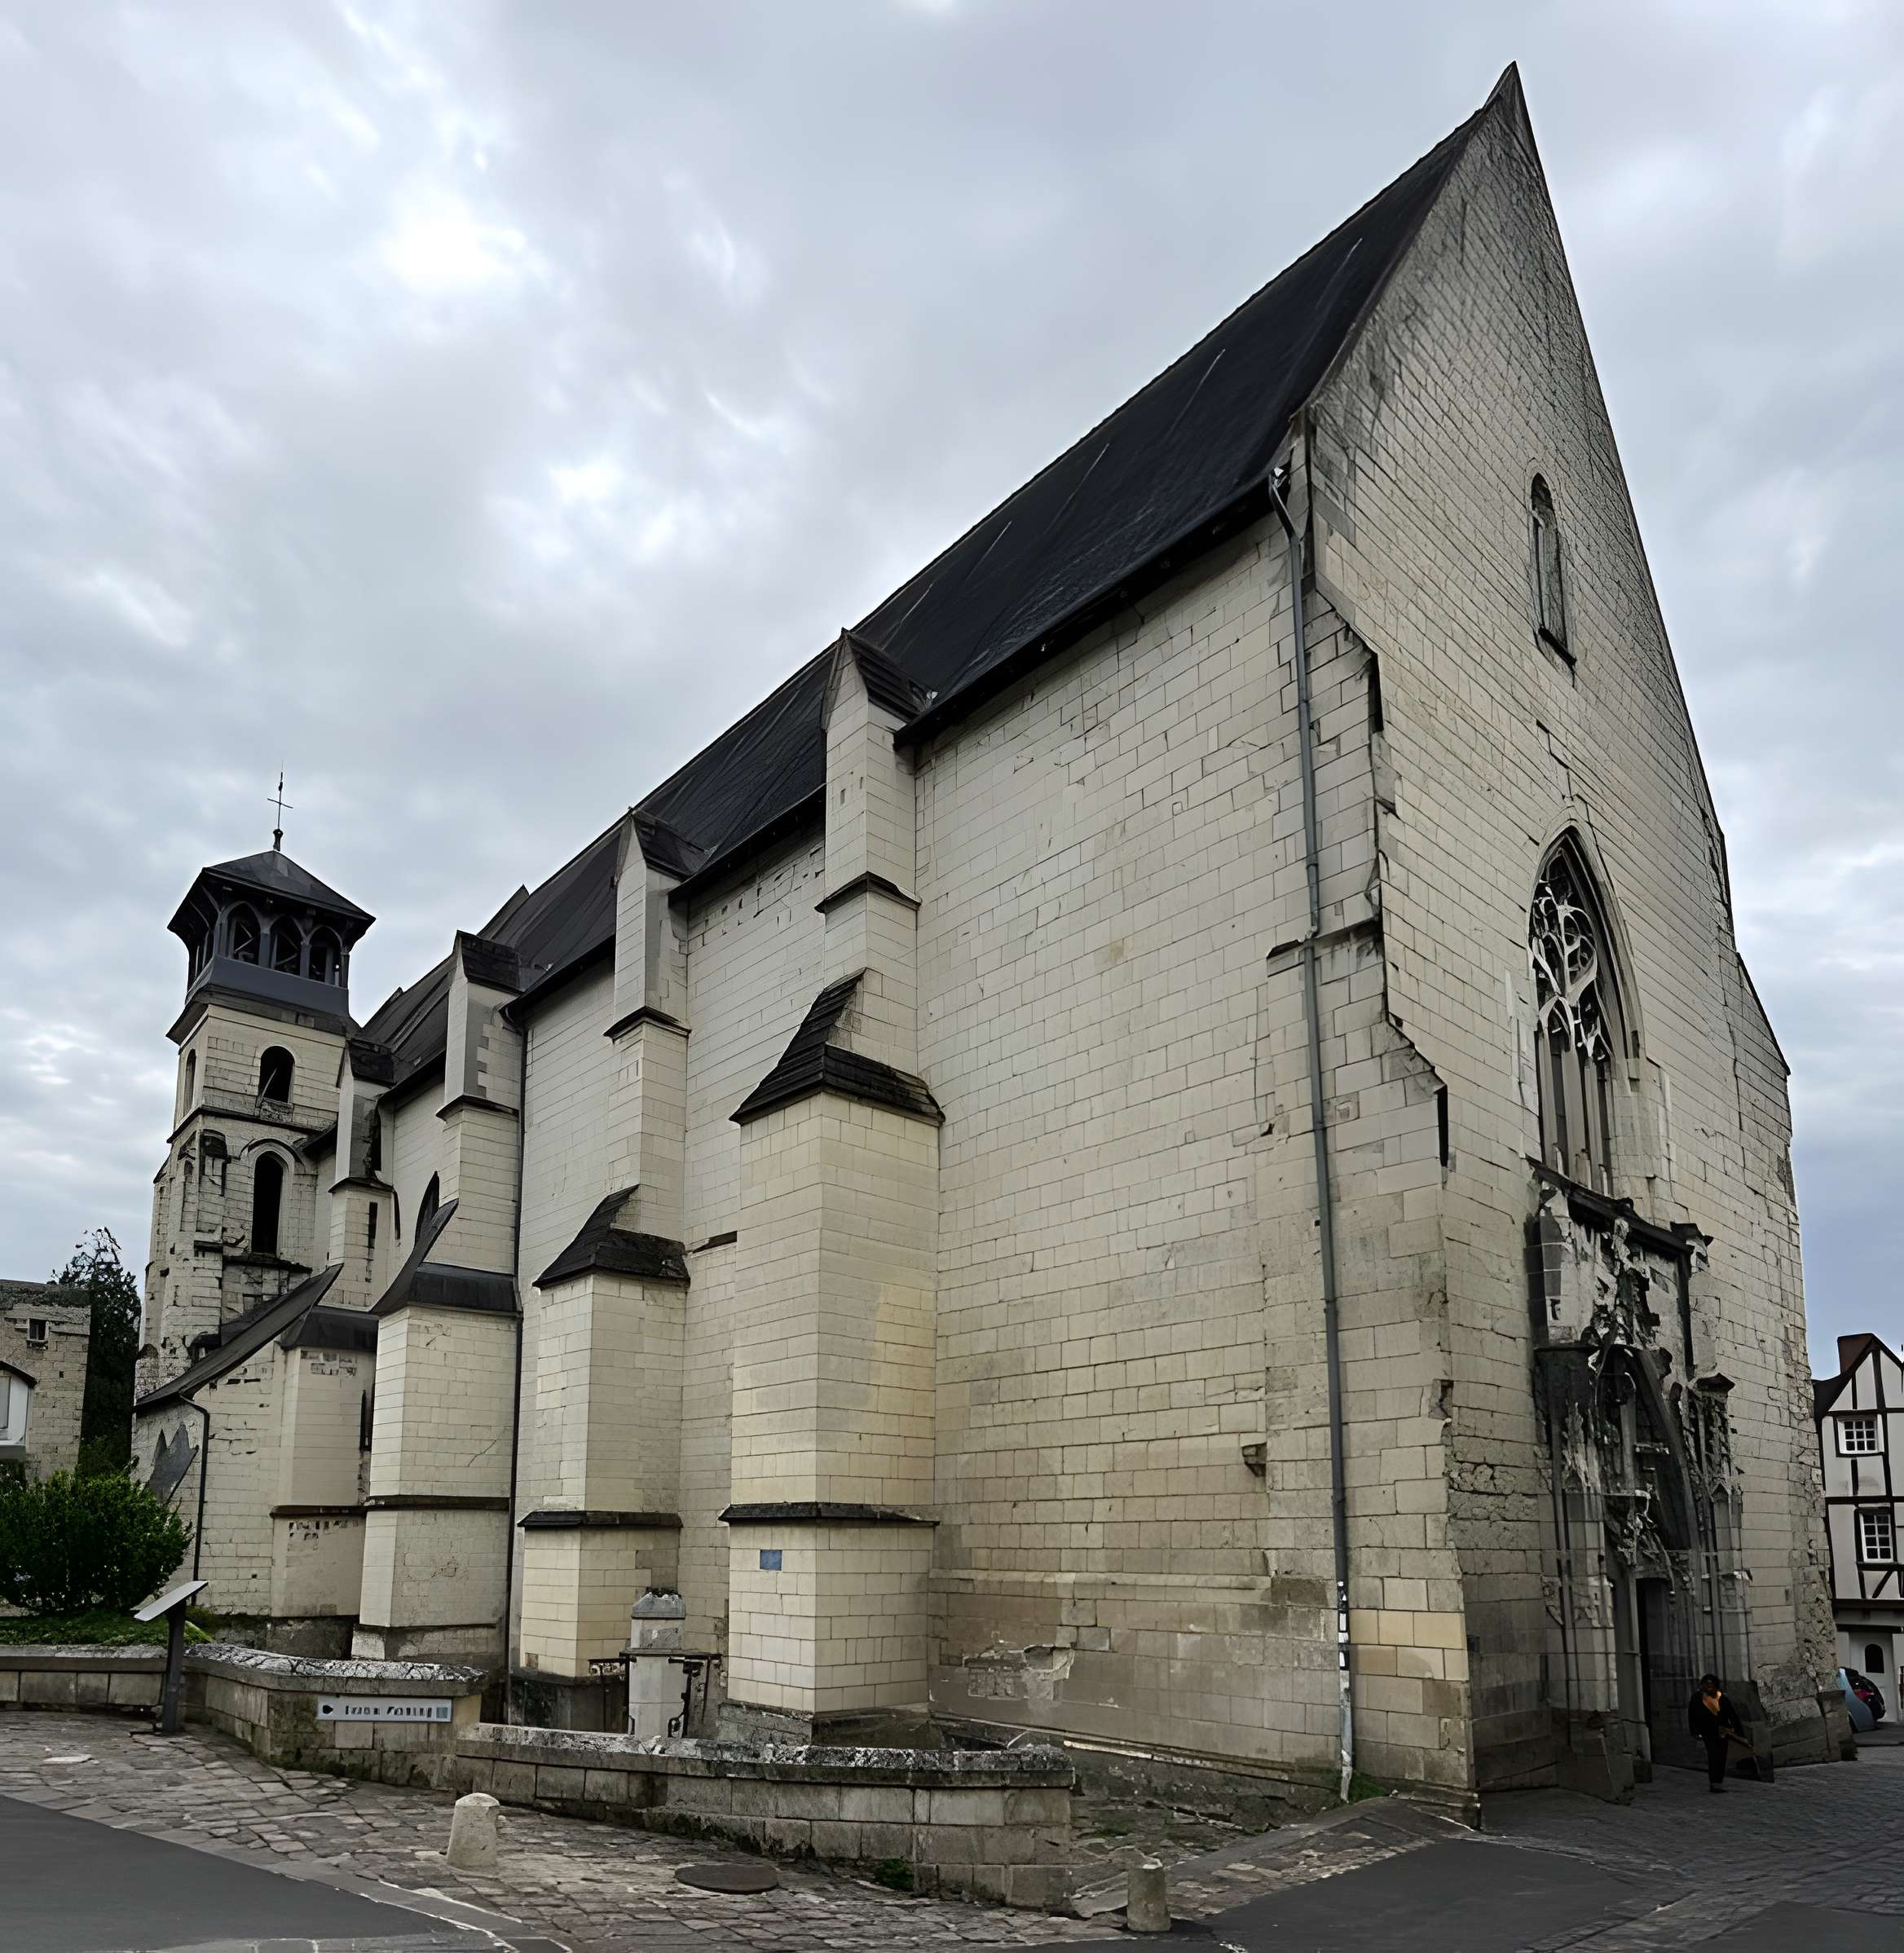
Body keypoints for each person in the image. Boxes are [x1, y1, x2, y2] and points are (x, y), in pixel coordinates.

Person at [1688, 1673, 1744, 1792]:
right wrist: (1695, 1731)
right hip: (1708, 1732)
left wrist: (1740, 1732)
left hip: (1723, 1732)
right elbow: (1692, 1716)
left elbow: (1733, 1715)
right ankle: (1714, 1784)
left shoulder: (1722, 1698)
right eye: (1706, 1684)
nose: (1709, 1687)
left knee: (1721, 1757)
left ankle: (1718, 1782)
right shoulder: (1697, 1698)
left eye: (1711, 1685)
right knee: (1713, 1756)